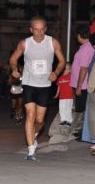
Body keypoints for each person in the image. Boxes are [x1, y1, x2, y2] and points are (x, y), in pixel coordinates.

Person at [9, 16, 66, 161]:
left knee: (40, 120)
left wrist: (56, 73)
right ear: (31, 29)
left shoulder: (52, 42)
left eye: (42, 30)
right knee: (30, 115)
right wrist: (14, 69)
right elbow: (13, 58)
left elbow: (62, 61)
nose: (39, 33)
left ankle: (33, 134)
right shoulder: (25, 43)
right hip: (29, 83)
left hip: (45, 85)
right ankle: (31, 150)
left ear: (45, 29)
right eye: (36, 30)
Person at [70, 25, 95, 136]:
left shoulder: (86, 49)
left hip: (83, 85)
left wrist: (79, 86)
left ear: (80, 35)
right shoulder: (84, 46)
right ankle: (83, 131)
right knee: (81, 108)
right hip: (80, 84)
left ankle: (83, 131)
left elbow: (84, 69)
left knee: (82, 109)